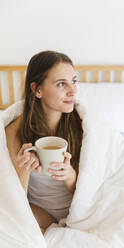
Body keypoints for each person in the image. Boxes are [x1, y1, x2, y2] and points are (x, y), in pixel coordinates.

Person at [5, 50, 83, 234]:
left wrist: (69, 174)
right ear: (37, 89)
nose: (73, 91)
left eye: (73, 81)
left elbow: (91, 187)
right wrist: (23, 171)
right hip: (36, 211)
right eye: (61, 83)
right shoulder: (15, 132)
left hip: (78, 211)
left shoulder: (82, 127)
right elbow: (14, 199)